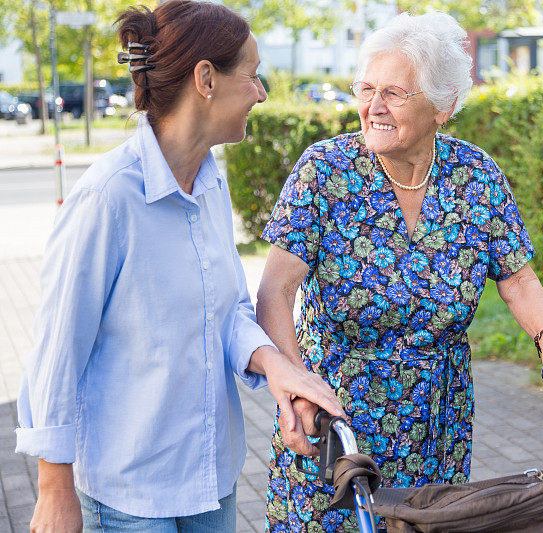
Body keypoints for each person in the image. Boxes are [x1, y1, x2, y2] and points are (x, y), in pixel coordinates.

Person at [257, 11, 543, 531]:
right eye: (366, 88)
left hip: (438, 423)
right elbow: (274, 291)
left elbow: (518, 279)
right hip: (332, 421)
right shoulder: (326, 170)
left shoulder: (475, 175)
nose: (374, 106)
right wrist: (296, 386)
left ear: (444, 105)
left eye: (395, 92)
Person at [15, 1, 343, 532]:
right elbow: (57, 350)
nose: (261, 94)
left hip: (211, 479)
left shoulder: (211, 182)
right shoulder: (107, 199)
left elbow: (230, 309)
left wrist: (277, 365)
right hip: (130, 494)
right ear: (206, 79)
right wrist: (54, 489)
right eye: (254, 76)